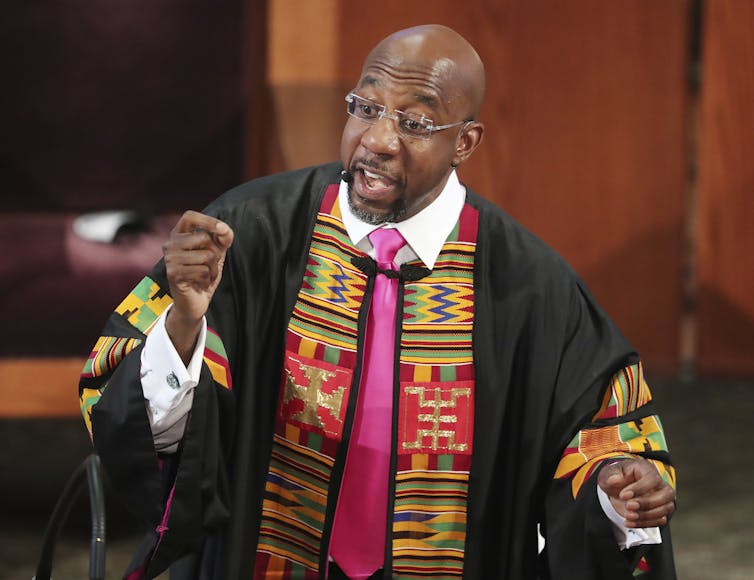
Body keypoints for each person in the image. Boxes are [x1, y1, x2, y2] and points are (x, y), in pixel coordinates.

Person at [79, 24, 677, 579]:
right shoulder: (249, 231)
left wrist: (614, 485)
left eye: (414, 123)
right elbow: (123, 402)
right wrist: (185, 323)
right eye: (366, 109)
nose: (378, 139)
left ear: (464, 142)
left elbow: (604, 430)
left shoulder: (532, 287)